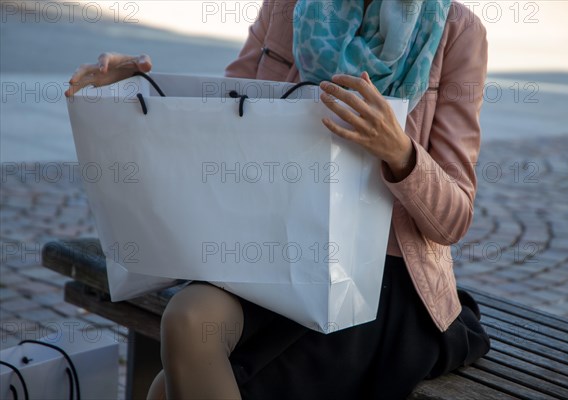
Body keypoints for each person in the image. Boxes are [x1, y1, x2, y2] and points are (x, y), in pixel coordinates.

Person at [67, 0, 490, 398]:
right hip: (273, 250)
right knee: (188, 319)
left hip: (380, 278)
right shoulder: (288, 8)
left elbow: (453, 220)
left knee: (166, 391)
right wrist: (132, 90)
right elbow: (216, 122)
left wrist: (399, 152)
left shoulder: (456, 30)